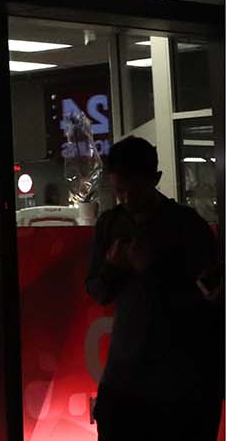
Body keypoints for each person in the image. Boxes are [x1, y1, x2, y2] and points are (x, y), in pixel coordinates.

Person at [85, 136, 224, 440]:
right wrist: (112, 268)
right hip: (124, 379)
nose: (124, 199)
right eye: (118, 190)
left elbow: (210, 299)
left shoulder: (186, 226)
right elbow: (97, 290)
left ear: (155, 180)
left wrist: (151, 269)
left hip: (180, 384)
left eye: (132, 190)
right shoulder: (110, 224)